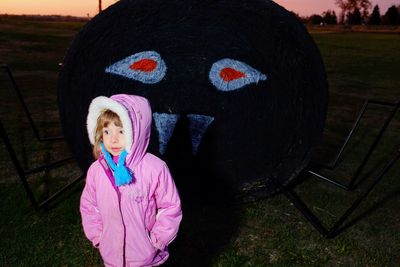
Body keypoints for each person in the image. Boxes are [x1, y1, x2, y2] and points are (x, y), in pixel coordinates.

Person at [80, 94, 182, 267]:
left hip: (147, 257)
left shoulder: (155, 168)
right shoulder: (97, 171)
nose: (113, 139)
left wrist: (156, 241)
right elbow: (90, 206)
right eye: (107, 131)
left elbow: (170, 207)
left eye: (121, 131)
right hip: (112, 256)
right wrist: (98, 237)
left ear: (137, 132)